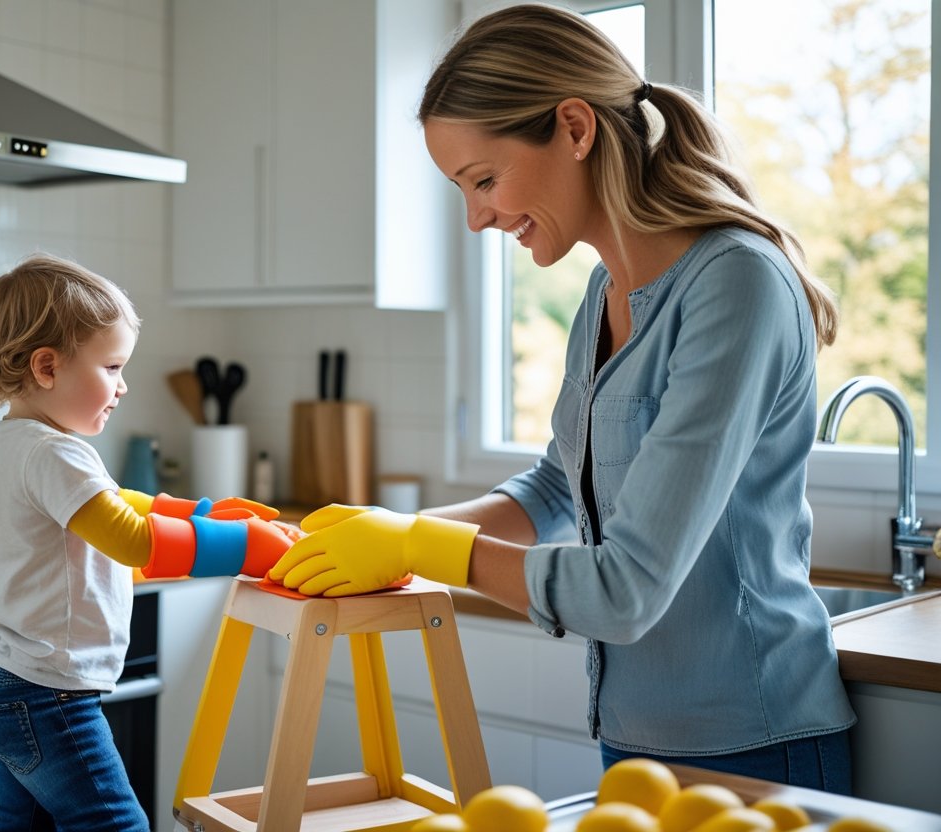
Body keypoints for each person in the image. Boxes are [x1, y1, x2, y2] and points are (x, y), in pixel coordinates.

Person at [270, 3, 856, 794]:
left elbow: (627, 588)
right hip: (631, 741)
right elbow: (554, 488)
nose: (477, 216)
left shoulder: (735, 284)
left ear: (575, 129)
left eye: (484, 179)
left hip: (755, 745)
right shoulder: (603, 292)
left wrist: (417, 547)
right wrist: (388, 532)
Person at [0, 253, 298, 831]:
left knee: (25, 828)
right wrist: (245, 545)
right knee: (116, 824)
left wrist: (199, 512)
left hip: (2, 684)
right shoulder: (53, 451)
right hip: (43, 695)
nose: (123, 385)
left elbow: (115, 506)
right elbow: (134, 540)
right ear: (46, 367)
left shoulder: (19, 440)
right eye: (111, 366)